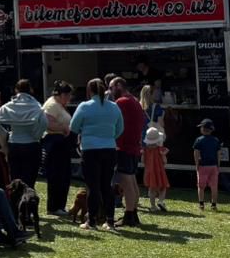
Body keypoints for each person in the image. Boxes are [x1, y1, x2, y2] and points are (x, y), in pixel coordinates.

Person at [70, 79, 123, 231]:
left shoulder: (84, 106)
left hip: (90, 149)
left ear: (89, 91)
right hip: (109, 148)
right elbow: (120, 128)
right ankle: (110, 221)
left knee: (93, 187)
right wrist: (110, 137)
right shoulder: (114, 107)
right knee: (107, 185)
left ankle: (92, 221)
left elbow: (73, 126)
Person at [0, 80, 46, 191]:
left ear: (16, 90)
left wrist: (3, 141)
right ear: (31, 90)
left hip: (14, 145)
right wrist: (37, 135)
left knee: (15, 180)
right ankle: (28, 203)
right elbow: (44, 122)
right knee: (30, 180)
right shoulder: (36, 106)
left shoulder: (8, 106)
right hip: (32, 145)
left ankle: (15, 206)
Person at [110, 78, 147, 228]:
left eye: (111, 87)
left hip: (124, 147)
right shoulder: (135, 101)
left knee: (126, 181)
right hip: (133, 146)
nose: (110, 91)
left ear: (119, 86)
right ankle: (134, 213)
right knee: (131, 180)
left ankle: (129, 214)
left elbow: (115, 122)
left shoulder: (122, 102)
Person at [41, 82, 75, 217]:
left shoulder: (59, 105)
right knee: (57, 175)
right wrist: (63, 128)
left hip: (61, 143)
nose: (69, 98)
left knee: (64, 175)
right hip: (55, 143)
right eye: (67, 95)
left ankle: (59, 205)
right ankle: (54, 206)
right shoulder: (52, 105)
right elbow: (47, 123)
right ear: (61, 94)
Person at [193, 118, 222, 210]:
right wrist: (218, 165)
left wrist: (197, 164)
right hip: (213, 166)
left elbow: (196, 153)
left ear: (203, 129)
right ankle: (214, 204)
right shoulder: (216, 140)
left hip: (203, 166)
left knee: (201, 186)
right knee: (214, 186)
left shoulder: (199, 140)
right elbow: (218, 154)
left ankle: (201, 204)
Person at [142, 125, 169, 212]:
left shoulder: (145, 150)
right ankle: (161, 201)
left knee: (151, 189)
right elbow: (164, 161)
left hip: (149, 172)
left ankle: (153, 206)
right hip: (159, 171)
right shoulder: (160, 149)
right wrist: (164, 156)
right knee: (163, 187)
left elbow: (143, 161)